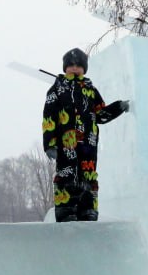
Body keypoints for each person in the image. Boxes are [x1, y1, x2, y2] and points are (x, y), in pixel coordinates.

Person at [42, 47, 129, 222]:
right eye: (71, 65)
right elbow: (48, 116)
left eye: (79, 65)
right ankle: (66, 208)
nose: (75, 68)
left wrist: (118, 107)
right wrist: (49, 144)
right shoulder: (57, 89)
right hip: (67, 143)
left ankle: (87, 208)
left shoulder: (91, 90)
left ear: (84, 68)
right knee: (67, 173)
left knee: (88, 174)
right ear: (65, 67)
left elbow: (100, 114)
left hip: (88, 144)